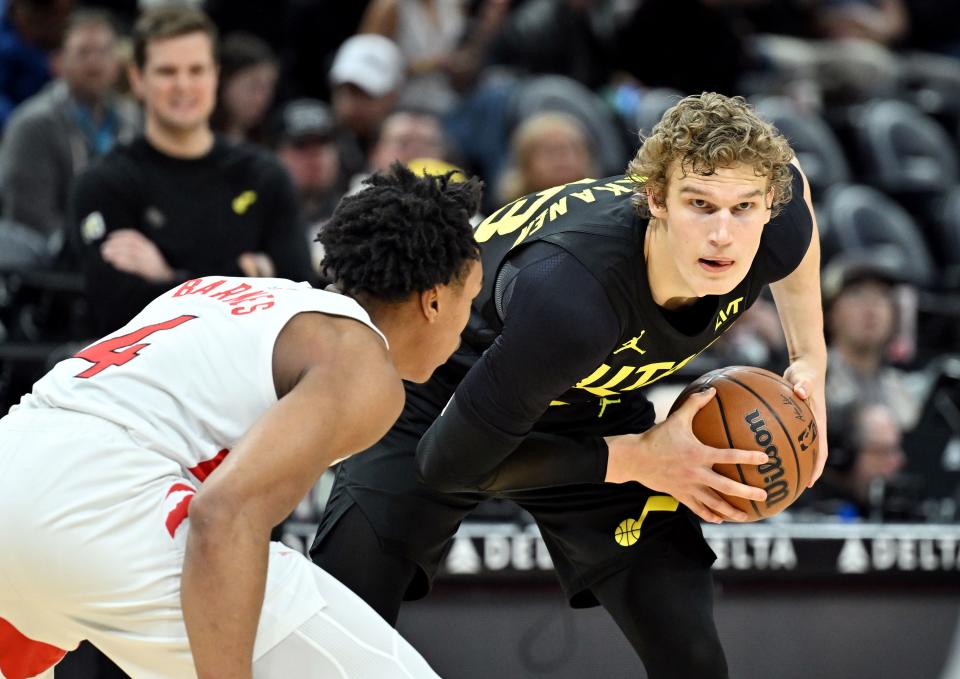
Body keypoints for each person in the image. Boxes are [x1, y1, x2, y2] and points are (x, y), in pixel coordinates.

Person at [311, 92, 829, 678]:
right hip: (448, 392)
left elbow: (798, 186)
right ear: (655, 199)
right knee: (338, 626)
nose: (722, 235)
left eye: (743, 208)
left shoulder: (775, 224)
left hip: (590, 402)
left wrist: (809, 359)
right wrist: (638, 458)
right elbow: (447, 464)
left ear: (768, 207)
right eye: (700, 204)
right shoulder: (573, 298)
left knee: (692, 655)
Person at [0, 162, 482, 679]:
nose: (466, 322)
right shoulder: (360, 362)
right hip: (111, 497)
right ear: (433, 300)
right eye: (469, 300)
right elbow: (224, 513)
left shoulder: (221, 292)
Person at [70, 6, 312, 336]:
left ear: (215, 76)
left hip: (256, 373)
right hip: (147, 380)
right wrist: (248, 272)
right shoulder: (104, 183)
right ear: (137, 78)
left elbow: (298, 293)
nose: (183, 85)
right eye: (167, 71)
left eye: (196, 70)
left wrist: (169, 277)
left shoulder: (263, 175)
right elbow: (117, 310)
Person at [0, 9, 138, 240]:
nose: (95, 62)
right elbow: (33, 219)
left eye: (105, 51)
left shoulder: (134, 118)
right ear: (57, 62)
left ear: (118, 61)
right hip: (50, 261)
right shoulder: (32, 125)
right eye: (83, 52)